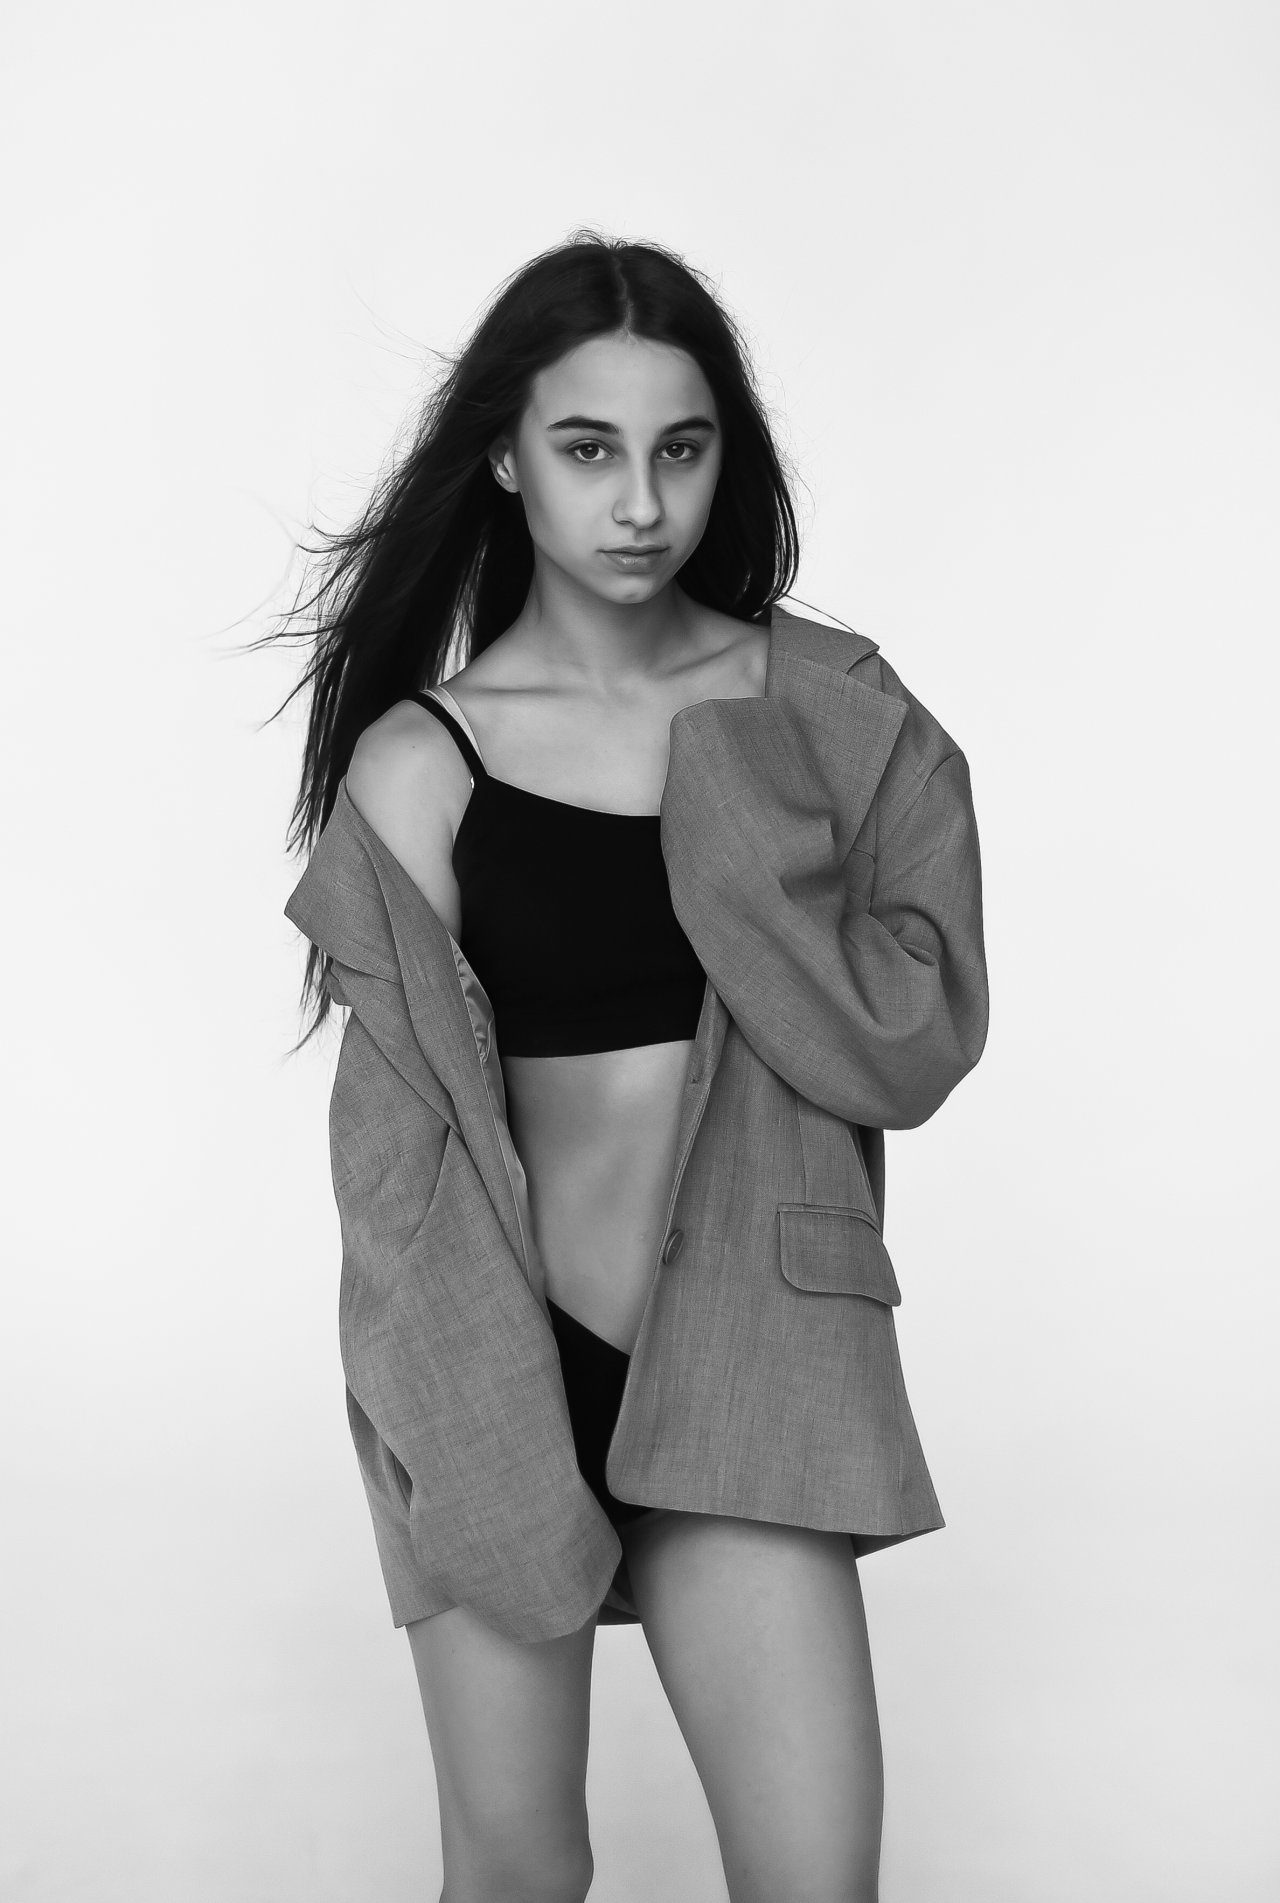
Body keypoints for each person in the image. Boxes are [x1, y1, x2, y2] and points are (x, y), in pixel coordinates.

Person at [275, 231, 989, 1903]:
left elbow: (914, 1037)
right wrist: (447, 1407)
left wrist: (727, 807)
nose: (642, 503)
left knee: (814, 1883)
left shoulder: (829, 710)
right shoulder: (423, 763)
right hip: (492, 1355)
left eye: (683, 449)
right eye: (589, 450)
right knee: (518, 1875)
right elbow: (395, 1164)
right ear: (507, 460)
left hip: (749, 1350)